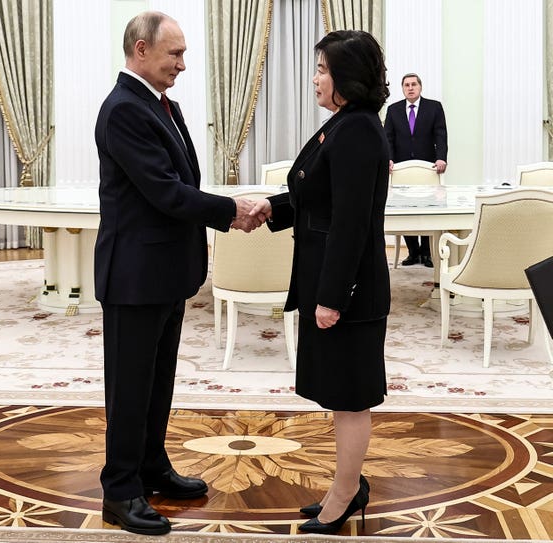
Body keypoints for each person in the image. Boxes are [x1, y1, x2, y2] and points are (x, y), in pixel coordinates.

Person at [94, 11, 261, 536]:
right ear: (141, 50)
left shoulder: (163, 105)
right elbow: (165, 191)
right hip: (134, 276)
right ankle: (120, 490)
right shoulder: (124, 109)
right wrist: (230, 210)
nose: (183, 65)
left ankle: (151, 466)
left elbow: (181, 180)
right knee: (129, 387)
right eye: (176, 54)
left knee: (157, 380)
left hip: (163, 272)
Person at [250, 30, 390, 534]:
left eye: (323, 70)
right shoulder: (344, 124)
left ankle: (347, 493)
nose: (315, 79)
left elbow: (351, 224)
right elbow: (316, 194)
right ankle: (347, 485)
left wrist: (332, 298)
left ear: (347, 77)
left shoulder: (358, 131)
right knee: (338, 393)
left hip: (348, 292)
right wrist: (273, 207)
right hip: (329, 282)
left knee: (351, 398)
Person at [384, 73, 448, 268]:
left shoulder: (434, 107)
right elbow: (388, 137)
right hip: (402, 167)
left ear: (420, 87)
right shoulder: (393, 110)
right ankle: (413, 252)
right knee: (405, 207)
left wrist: (441, 157)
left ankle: (427, 253)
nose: (410, 88)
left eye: (414, 84)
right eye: (406, 85)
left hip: (428, 166)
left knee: (428, 207)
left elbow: (441, 134)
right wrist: (389, 159)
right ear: (402, 89)